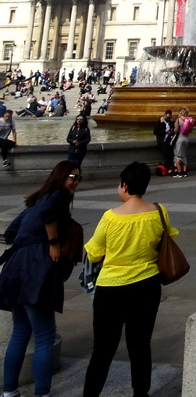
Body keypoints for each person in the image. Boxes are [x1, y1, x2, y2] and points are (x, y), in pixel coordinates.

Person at [82, 162, 179, 397]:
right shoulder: (158, 211)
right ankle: (140, 394)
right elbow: (167, 238)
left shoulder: (111, 217)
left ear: (124, 186)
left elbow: (94, 252)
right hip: (147, 285)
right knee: (140, 346)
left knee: (102, 351)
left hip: (111, 289)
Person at [0, 160, 81, 397]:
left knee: (20, 332)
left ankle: (9, 392)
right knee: (45, 335)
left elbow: (10, 233)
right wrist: (53, 244)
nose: (75, 181)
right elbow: (48, 216)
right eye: (71, 176)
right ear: (60, 176)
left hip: (15, 268)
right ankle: (42, 393)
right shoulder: (59, 196)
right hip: (38, 269)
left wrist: (29, 240)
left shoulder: (36, 200)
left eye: (78, 178)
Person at [173, 107, 194, 178]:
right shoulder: (189, 120)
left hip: (180, 139)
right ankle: (185, 172)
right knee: (184, 155)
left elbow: (176, 130)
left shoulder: (178, 120)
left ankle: (179, 172)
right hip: (186, 139)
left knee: (177, 156)